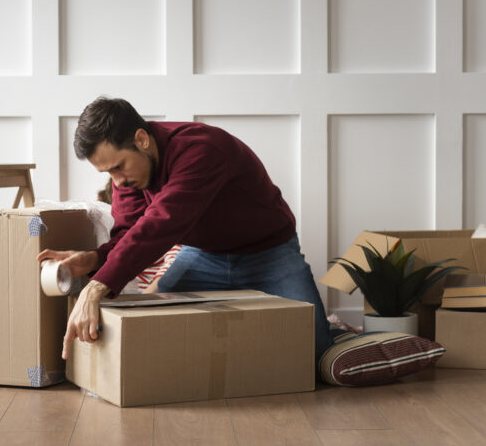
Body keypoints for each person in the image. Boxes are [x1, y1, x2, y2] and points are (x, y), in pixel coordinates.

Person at [37, 96, 333, 364]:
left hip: (270, 254)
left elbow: (161, 224)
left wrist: (96, 287)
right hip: (204, 257)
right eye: (108, 173)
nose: (116, 182)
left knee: (316, 353)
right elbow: (129, 231)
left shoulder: (203, 149)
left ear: (141, 139)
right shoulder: (132, 176)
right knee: (152, 333)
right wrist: (94, 259)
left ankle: (340, 335)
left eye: (118, 167)